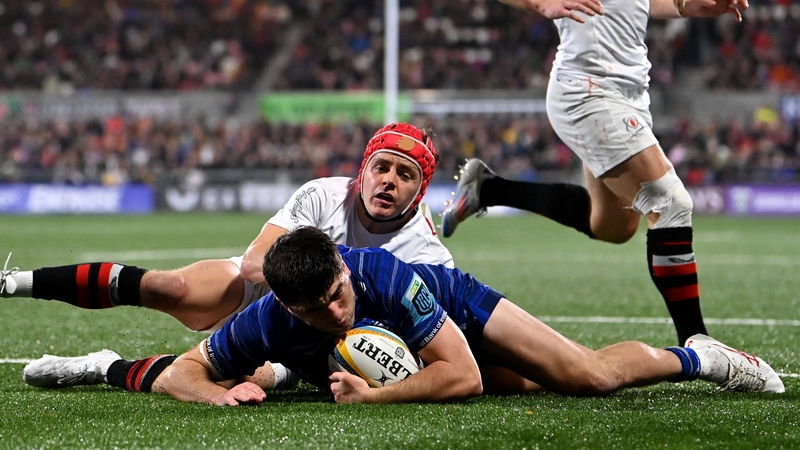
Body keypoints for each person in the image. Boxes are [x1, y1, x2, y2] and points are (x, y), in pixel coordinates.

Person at [12, 123, 452, 394]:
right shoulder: (325, 195)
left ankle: (103, 366)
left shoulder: (426, 253)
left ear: (421, 188)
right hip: (267, 294)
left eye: (405, 174)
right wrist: (307, 290)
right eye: (381, 167)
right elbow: (254, 261)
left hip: (327, 339)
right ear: (365, 168)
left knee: (229, 380)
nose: (388, 181)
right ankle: (14, 282)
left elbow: (432, 343)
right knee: (170, 287)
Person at [160, 226, 783, 406]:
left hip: (455, 309)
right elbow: (181, 370)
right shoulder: (268, 318)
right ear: (288, 306)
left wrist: (374, 399)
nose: (336, 308)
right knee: (532, 387)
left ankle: (702, 355)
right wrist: (212, 397)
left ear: (344, 270)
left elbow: (462, 377)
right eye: (317, 309)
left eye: (338, 291)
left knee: (585, 377)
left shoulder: (383, 274)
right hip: (419, 348)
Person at [441, 0, 749, 345]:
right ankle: (699, 344)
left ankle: (490, 189)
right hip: (587, 91)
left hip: (629, 91)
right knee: (671, 204)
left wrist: (686, 6)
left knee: (612, 227)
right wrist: (541, 4)